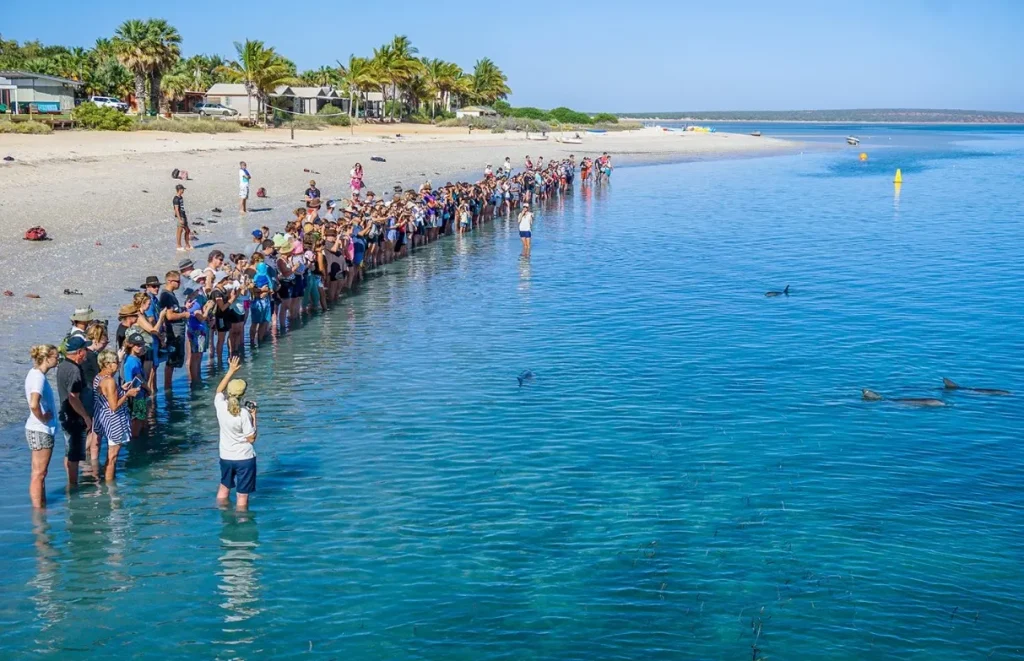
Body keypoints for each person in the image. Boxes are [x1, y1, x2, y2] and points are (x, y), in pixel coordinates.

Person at [215, 356, 257, 511]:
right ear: (242, 394)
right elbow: (251, 438)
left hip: (225, 456)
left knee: (224, 488)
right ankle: (241, 523)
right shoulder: (244, 414)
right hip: (244, 458)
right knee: (242, 496)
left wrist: (230, 371)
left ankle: (221, 513)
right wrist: (254, 415)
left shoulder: (220, 406)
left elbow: (218, 390)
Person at [93, 349, 138, 481]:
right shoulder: (110, 381)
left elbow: (106, 396)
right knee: (112, 457)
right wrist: (128, 394)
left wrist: (121, 389)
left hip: (104, 420)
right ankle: (111, 490)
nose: (118, 365)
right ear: (107, 364)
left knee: (110, 456)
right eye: (116, 362)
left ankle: (106, 481)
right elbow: (114, 406)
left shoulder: (99, 377)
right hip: (115, 421)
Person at [56, 336, 93, 487]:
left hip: (66, 415)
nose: (87, 352)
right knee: (74, 455)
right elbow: (73, 398)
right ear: (79, 352)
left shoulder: (62, 365)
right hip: (74, 417)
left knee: (69, 451)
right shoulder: (74, 371)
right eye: (85, 349)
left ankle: (70, 482)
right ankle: (73, 485)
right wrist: (85, 416)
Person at [25, 344, 59, 507]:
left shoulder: (34, 374)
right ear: (46, 358)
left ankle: (40, 504)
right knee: (39, 473)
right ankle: (39, 509)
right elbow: (33, 403)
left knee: (39, 472)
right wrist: (43, 417)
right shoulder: (38, 377)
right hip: (40, 429)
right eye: (55, 356)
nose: (58, 359)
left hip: (36, 429)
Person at [159, 270, 189, 390]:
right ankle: (168, 387)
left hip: (177, 330)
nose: (179, 284)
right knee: (171, 361)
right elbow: (170, 316)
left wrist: (183, 309)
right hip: (173, 332)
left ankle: (169, 386)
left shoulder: (170, 295)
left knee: (174, 360)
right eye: (177, 281)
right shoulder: (166, 295)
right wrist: (184, 315)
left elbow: (174, 311)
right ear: (169, 281)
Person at [122, 332, 149, 438]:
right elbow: (136, 379)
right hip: (136, 396)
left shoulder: (133, 359)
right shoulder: (131, 361)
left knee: (140, 419)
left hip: (139, 394)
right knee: (137, 421)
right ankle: (135, 443)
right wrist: (148, 388)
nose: (140, 347)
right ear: (131, 346)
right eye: (137, 345)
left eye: (141, 344)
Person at [173, 184, 193, 251]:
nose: (183, 190)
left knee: (187, 230)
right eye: (183, 189)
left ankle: (187, 245)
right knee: (180, 231)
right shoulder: (176, 199)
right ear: (180, 190)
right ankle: (178, 246)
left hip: (183, 215)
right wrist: (179, 219)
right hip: (180, 216)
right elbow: (176, 209)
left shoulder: (181, 197)